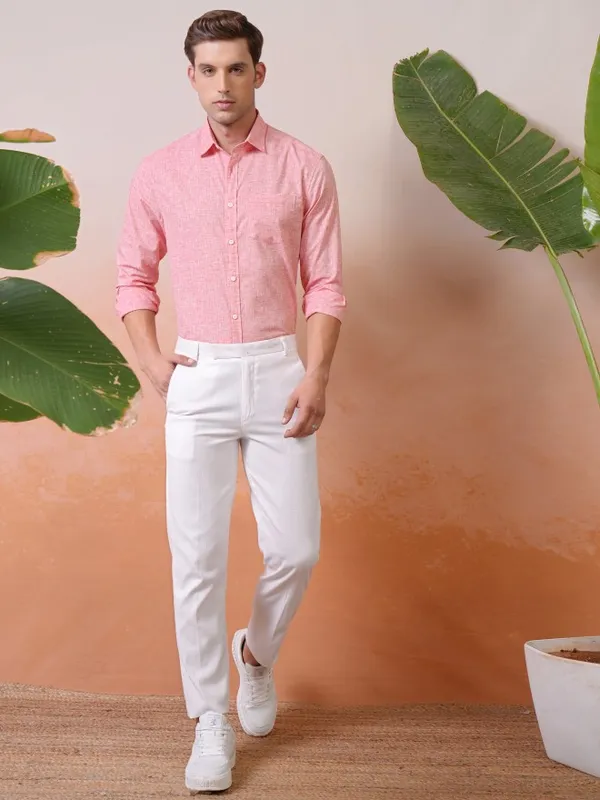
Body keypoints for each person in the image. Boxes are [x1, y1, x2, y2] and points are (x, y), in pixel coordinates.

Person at [115, 9, 346, 794]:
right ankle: (210, 719)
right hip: (200, 375)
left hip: (280, 369)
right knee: (197, 560)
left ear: (259, 73)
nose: (223, 84)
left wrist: (317, 375)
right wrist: (152, 361)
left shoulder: (305, 167)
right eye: (209, 70)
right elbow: (133, 276)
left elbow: (325, 283)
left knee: (296, 549)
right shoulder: (159, 172)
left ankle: (256, 655)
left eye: (236, 69)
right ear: (191, 77)